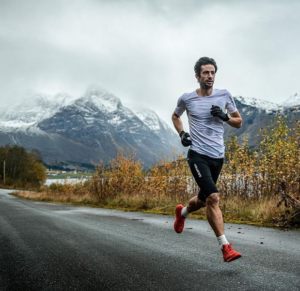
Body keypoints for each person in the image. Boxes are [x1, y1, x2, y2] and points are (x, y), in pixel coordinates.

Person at [172, 57, 243, 263]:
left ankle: (182, 212)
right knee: (213, 197)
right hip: (197, 155)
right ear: (197, 76)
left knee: (203, 200)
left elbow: (238, 123)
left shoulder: (224, 95)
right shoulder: (187, 99)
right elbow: (176, 116)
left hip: (217, 157)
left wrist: (225, 117)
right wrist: (182, 134)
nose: (209, 76)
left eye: (212, 72)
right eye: (205, 73)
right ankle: (226, 247)